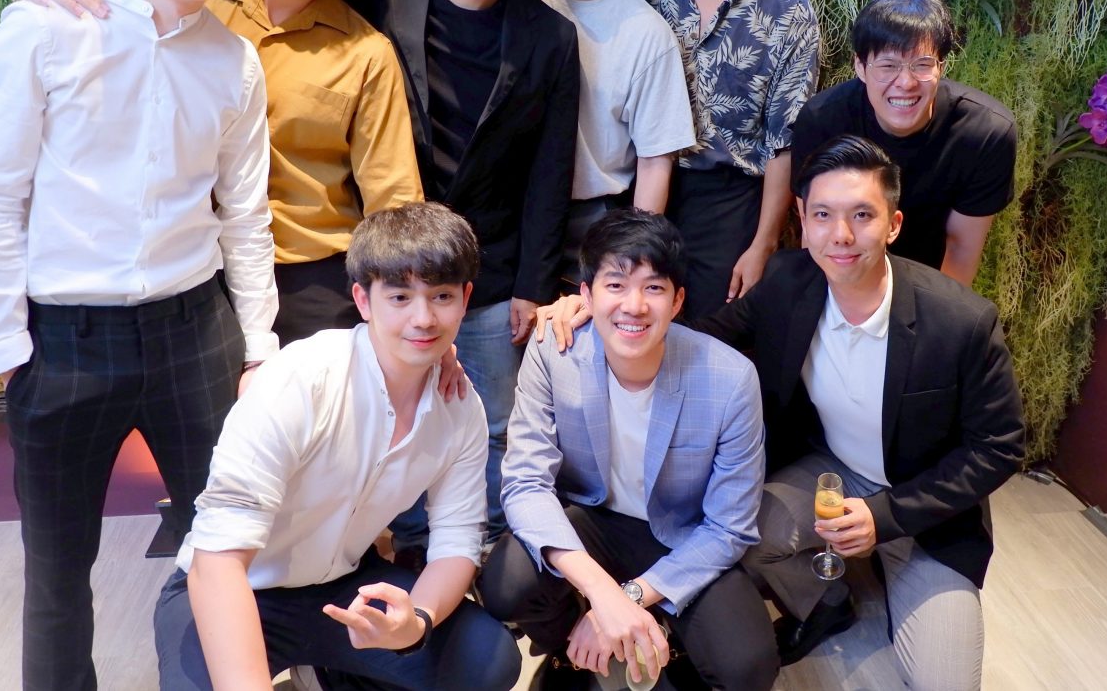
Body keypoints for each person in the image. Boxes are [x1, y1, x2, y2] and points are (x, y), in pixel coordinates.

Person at [0, 0, 277, 691]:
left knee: (228, 548)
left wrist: (257, 348)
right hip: (64, 344)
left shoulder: (235, 61)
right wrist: (9, 347)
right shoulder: (46, 28)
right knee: (58, 574)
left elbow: (246, 216)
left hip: (195, 336)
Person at [536, 136, 1025, 687]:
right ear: (803, 220)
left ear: (893, 224)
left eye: (862, 215)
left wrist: (887, 517)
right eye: (824, 215)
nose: (841, 235)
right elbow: (699, 340)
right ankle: (827, 600)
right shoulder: (790, 281)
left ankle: (893, 578)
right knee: (737, 531)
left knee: (946, 683)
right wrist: (602, 313)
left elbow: (999, 447)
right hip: (830, 476)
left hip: (925, 505)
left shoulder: (960, 320)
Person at [15, 0, 424, 344]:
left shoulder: (367, 54)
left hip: (311, 281)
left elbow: (393, 202)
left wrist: (409, 317)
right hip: (186, 271)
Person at [153, 203, 521, 691]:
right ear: (363, 300)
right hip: (234, 585)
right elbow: (217, 561)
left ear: (465, 298)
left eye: (442, 296)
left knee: (488, 659)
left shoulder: (459, 407)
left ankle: (330, 671)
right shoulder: (302, 380)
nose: (424, 318)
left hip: (342, 587)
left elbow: (456, 540)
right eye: (399, 297)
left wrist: (417, 622)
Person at [340, 0, 580, 556]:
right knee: (399, 414)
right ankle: (418, 548)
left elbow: (549, 173)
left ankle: (494, 550)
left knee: (494, 419)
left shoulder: (549, 36)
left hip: (495, 267)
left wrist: (533, 286)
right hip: (396, 264)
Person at [480, 209, 776, 690]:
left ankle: (662, 642)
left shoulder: (730, 378)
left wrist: (631, 597)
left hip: (681, 533)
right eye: (615, 285)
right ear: (586, 295)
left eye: (653, 288)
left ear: (677, 301)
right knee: (505, 583)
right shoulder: (554, 351)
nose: (633, 306)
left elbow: (729, 526)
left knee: (748, 666)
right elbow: (525, 482)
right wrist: (601, 593)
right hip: (593, 519)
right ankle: (572, 654)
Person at [629, 0, 821, 320]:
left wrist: (763, 244)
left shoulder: (788, 12)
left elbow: (784, 143)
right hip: (638, 187)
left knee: (710, 339)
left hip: (730, 205)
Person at [507, 0, 694, 274]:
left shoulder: (647, 33)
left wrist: (631, 266)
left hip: (593, 223)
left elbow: (654, 162)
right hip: (507, 212)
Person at [790, 0, 1016, 286]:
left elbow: (961, 248)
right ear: (860, 67)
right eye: (888, 66)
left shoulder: (984, 133)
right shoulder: (822, 120)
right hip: (844, 270)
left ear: (941, 68)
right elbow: (817, 233)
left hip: (929, 278)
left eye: (922, 65)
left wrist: (931, 313)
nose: (906, 83)